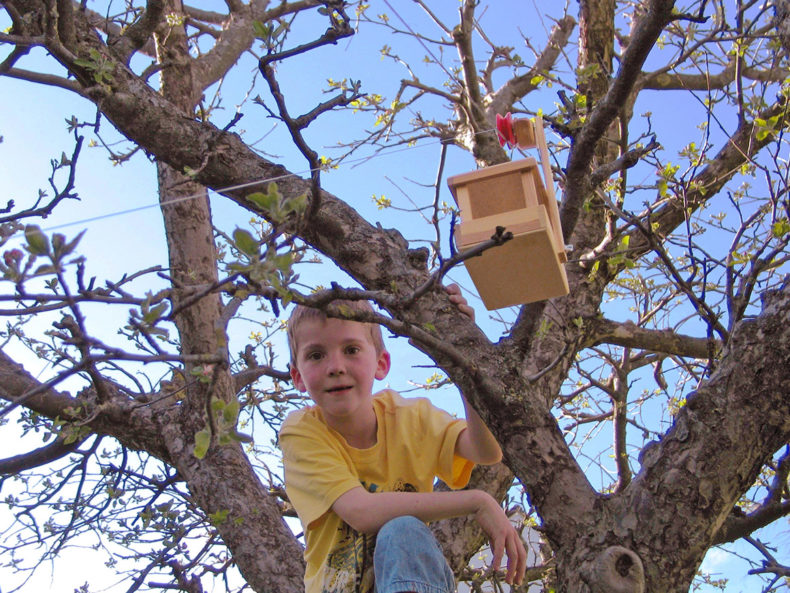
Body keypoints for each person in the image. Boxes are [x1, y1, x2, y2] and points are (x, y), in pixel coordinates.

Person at [279, 285, 527, 593]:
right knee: (402, 527)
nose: (336, 367)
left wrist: (463, 359)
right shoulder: (302, 432)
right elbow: (360, 512)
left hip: (409, 582)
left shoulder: (411, 417)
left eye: (351, 350)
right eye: (316, 355)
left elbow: (486, 450)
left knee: (403, 531)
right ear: (298, 377)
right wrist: (478, 501)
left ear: (381, 363)